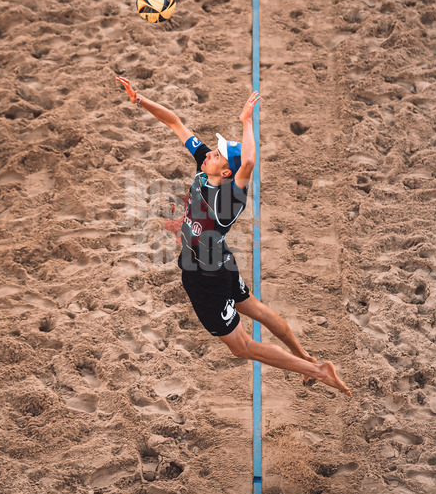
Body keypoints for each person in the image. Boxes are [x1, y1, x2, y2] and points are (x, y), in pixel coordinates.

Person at [116, 76, 350, 395]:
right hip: (223, 263)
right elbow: (175, 122)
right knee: (257, 309)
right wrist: (140, 100)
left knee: (243, 347)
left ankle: (317, 371)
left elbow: (249, 161)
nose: (210, 153)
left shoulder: (227, 202)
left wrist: (247, 121)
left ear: (227, 172)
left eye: (219, 155)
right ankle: (306, 356)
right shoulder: (205, 169)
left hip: (206, 279)